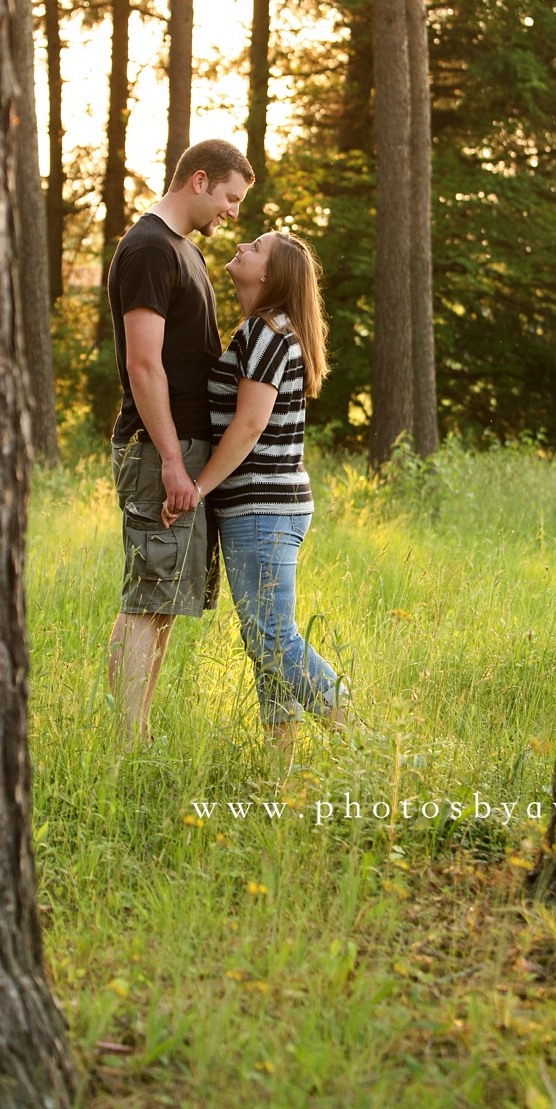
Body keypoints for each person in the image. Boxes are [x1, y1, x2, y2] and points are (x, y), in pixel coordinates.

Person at [168, 229, 349, 752]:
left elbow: (248, 426)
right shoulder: (258, 330)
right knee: (265, 639)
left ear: (270, 274)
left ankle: (361, 733)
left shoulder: (269, 332)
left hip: (262, 506)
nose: (243, 248)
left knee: (271, 637)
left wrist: (198, 487)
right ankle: (280, 765)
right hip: (258, 506)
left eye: (256, 247)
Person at [106, 139, 254, 742]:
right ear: (199, 181)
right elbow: (144, 365)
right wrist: (170, 458)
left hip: (182, 448)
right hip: (157, 448)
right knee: (146, 598)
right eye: (230, 198)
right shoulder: (146, 249)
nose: (233, 213)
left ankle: (134, 736)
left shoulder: (183, 251)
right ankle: (123, 745)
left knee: (160, 600)